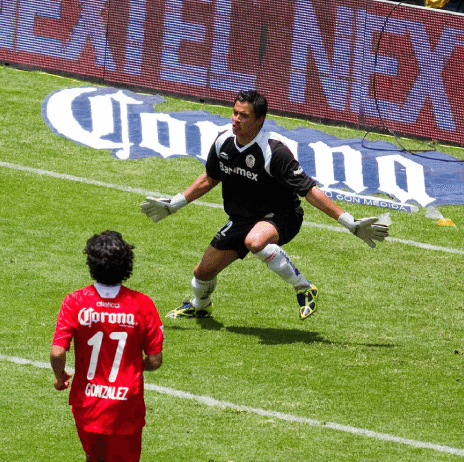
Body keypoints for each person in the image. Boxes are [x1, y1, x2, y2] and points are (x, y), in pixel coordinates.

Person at [139, 91, 389, 321]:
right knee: (202, 273)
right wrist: (174, 205)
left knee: (255, 241)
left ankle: (304, 288)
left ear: (259, 120)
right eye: (235, 112)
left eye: (243, 115)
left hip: (282, 214)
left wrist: (349, 222)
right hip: (241, 218)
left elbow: (309, 191)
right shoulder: (223, 141)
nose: (236, 119)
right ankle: (200, 305)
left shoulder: (274, 151)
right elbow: (209, 178)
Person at [41, 231, 164, 462]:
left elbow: (57, 352)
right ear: (127, 265)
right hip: (124, 409)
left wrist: (59, 376)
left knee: (93, 461)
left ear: (90, 264)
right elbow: (154, 361)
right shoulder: (142, 305)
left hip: (86, 404)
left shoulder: (75, 301)